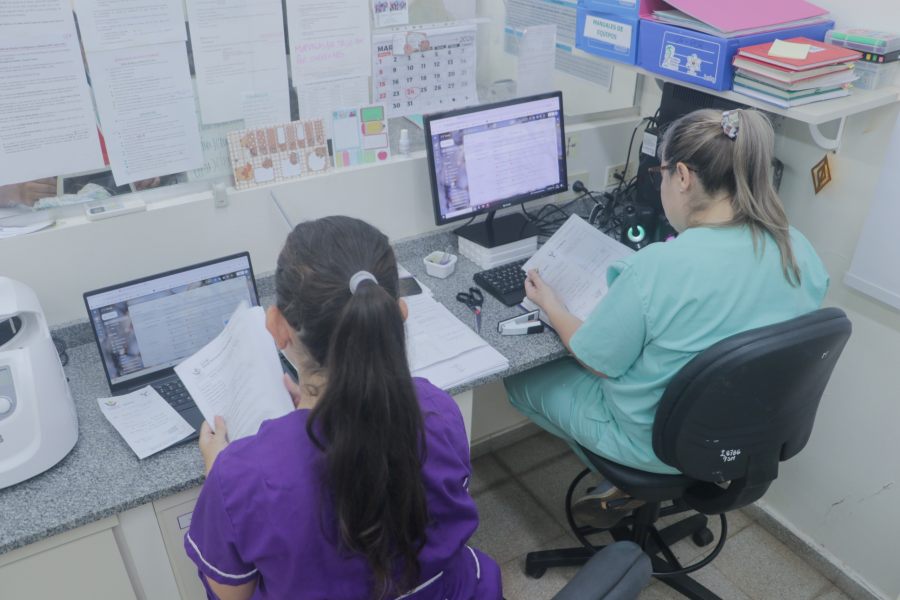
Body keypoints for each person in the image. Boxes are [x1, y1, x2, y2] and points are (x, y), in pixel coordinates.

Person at [504, 108, 830, 526]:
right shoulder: (797, 248)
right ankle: (630, 488)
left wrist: (552, 304)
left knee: (521, 378)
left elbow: (596, 360)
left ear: (682, 176)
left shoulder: (659, 266)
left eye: (661, 173)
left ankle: (625, 480)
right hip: (743, 432)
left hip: (655, 444)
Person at [184, 216, 501, 600]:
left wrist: (217, 473)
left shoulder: (239, 477)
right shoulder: (437, 411)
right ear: (398, 314)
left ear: (277, 327)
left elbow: (232, 594)